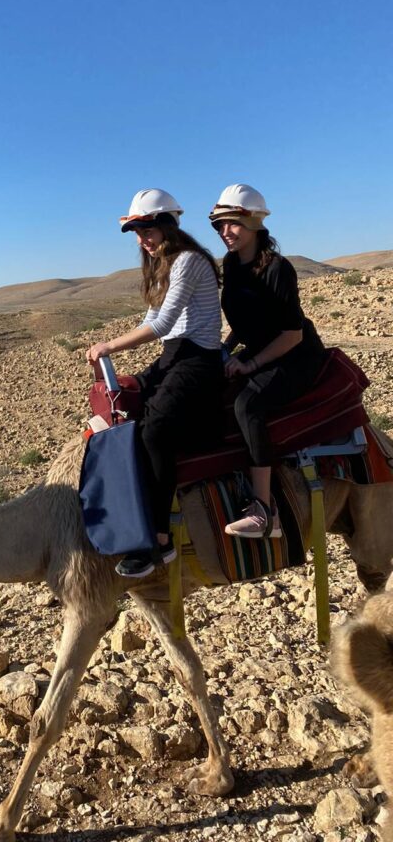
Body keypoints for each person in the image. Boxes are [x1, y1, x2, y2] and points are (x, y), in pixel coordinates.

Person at [86, 188, 223, 578]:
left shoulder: (189, 262)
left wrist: (108, 345)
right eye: (137, 232)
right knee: (123, 407)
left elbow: (162, 324)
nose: (142, 239)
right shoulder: (161, 265)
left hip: (197, 358)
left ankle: (159, 540)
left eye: (147, 229)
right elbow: (154, 319)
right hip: (173, 355)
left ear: (167, 225)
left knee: (154, 432)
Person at [209, 184, 326, 538]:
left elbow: (292, 334)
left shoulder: (278, 269)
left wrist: (250, 365)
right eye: (219, 225)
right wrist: (226, 350)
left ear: (255, 224)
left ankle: (264, 510)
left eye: (233, 224)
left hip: (295, 355)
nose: (225, 233)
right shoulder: (232, 264)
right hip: (260, 348)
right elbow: (244, 321)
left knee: (248, 404)